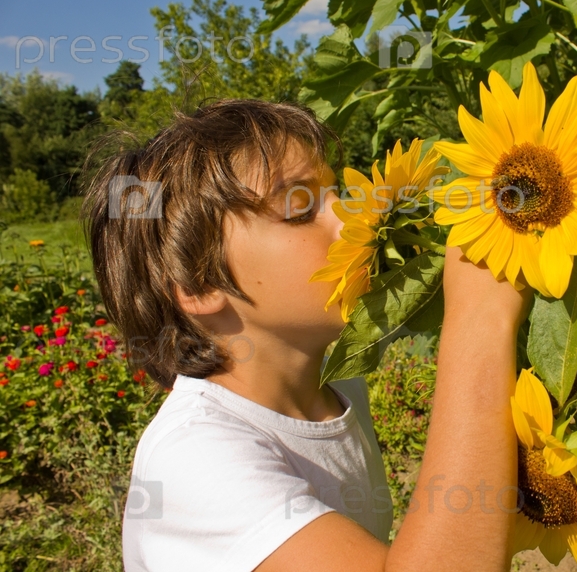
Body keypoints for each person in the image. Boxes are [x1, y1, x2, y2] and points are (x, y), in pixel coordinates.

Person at [81, 99, 532, 572]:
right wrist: (478, 320)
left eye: (338, 193)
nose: (353, 218)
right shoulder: (193, 459)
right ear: (200, 283)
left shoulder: (333, 388)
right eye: (300, 209)